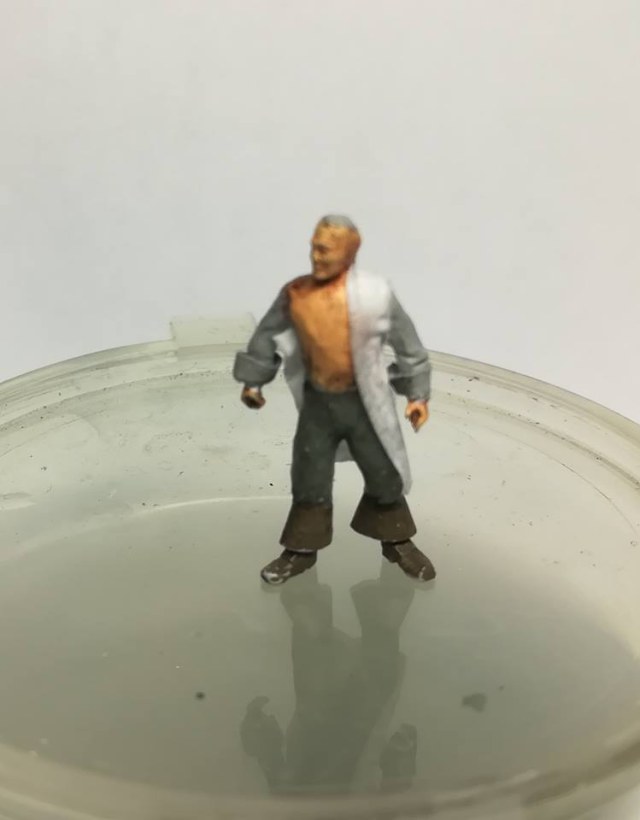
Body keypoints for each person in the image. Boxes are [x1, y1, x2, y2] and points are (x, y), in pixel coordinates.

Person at [233, 215, 435, 584]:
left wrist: (417, 395)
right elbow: (266, 335)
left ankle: (396, 541)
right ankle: (301, 550)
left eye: (325, 249)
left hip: (364, 404)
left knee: (384, 471)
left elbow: (408, 345)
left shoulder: (375, 296)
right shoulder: (296, 294)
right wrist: (254, 382)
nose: (316, 255)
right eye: (314, 247)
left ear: (349, 253)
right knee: (309, 475)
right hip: (318, 405)